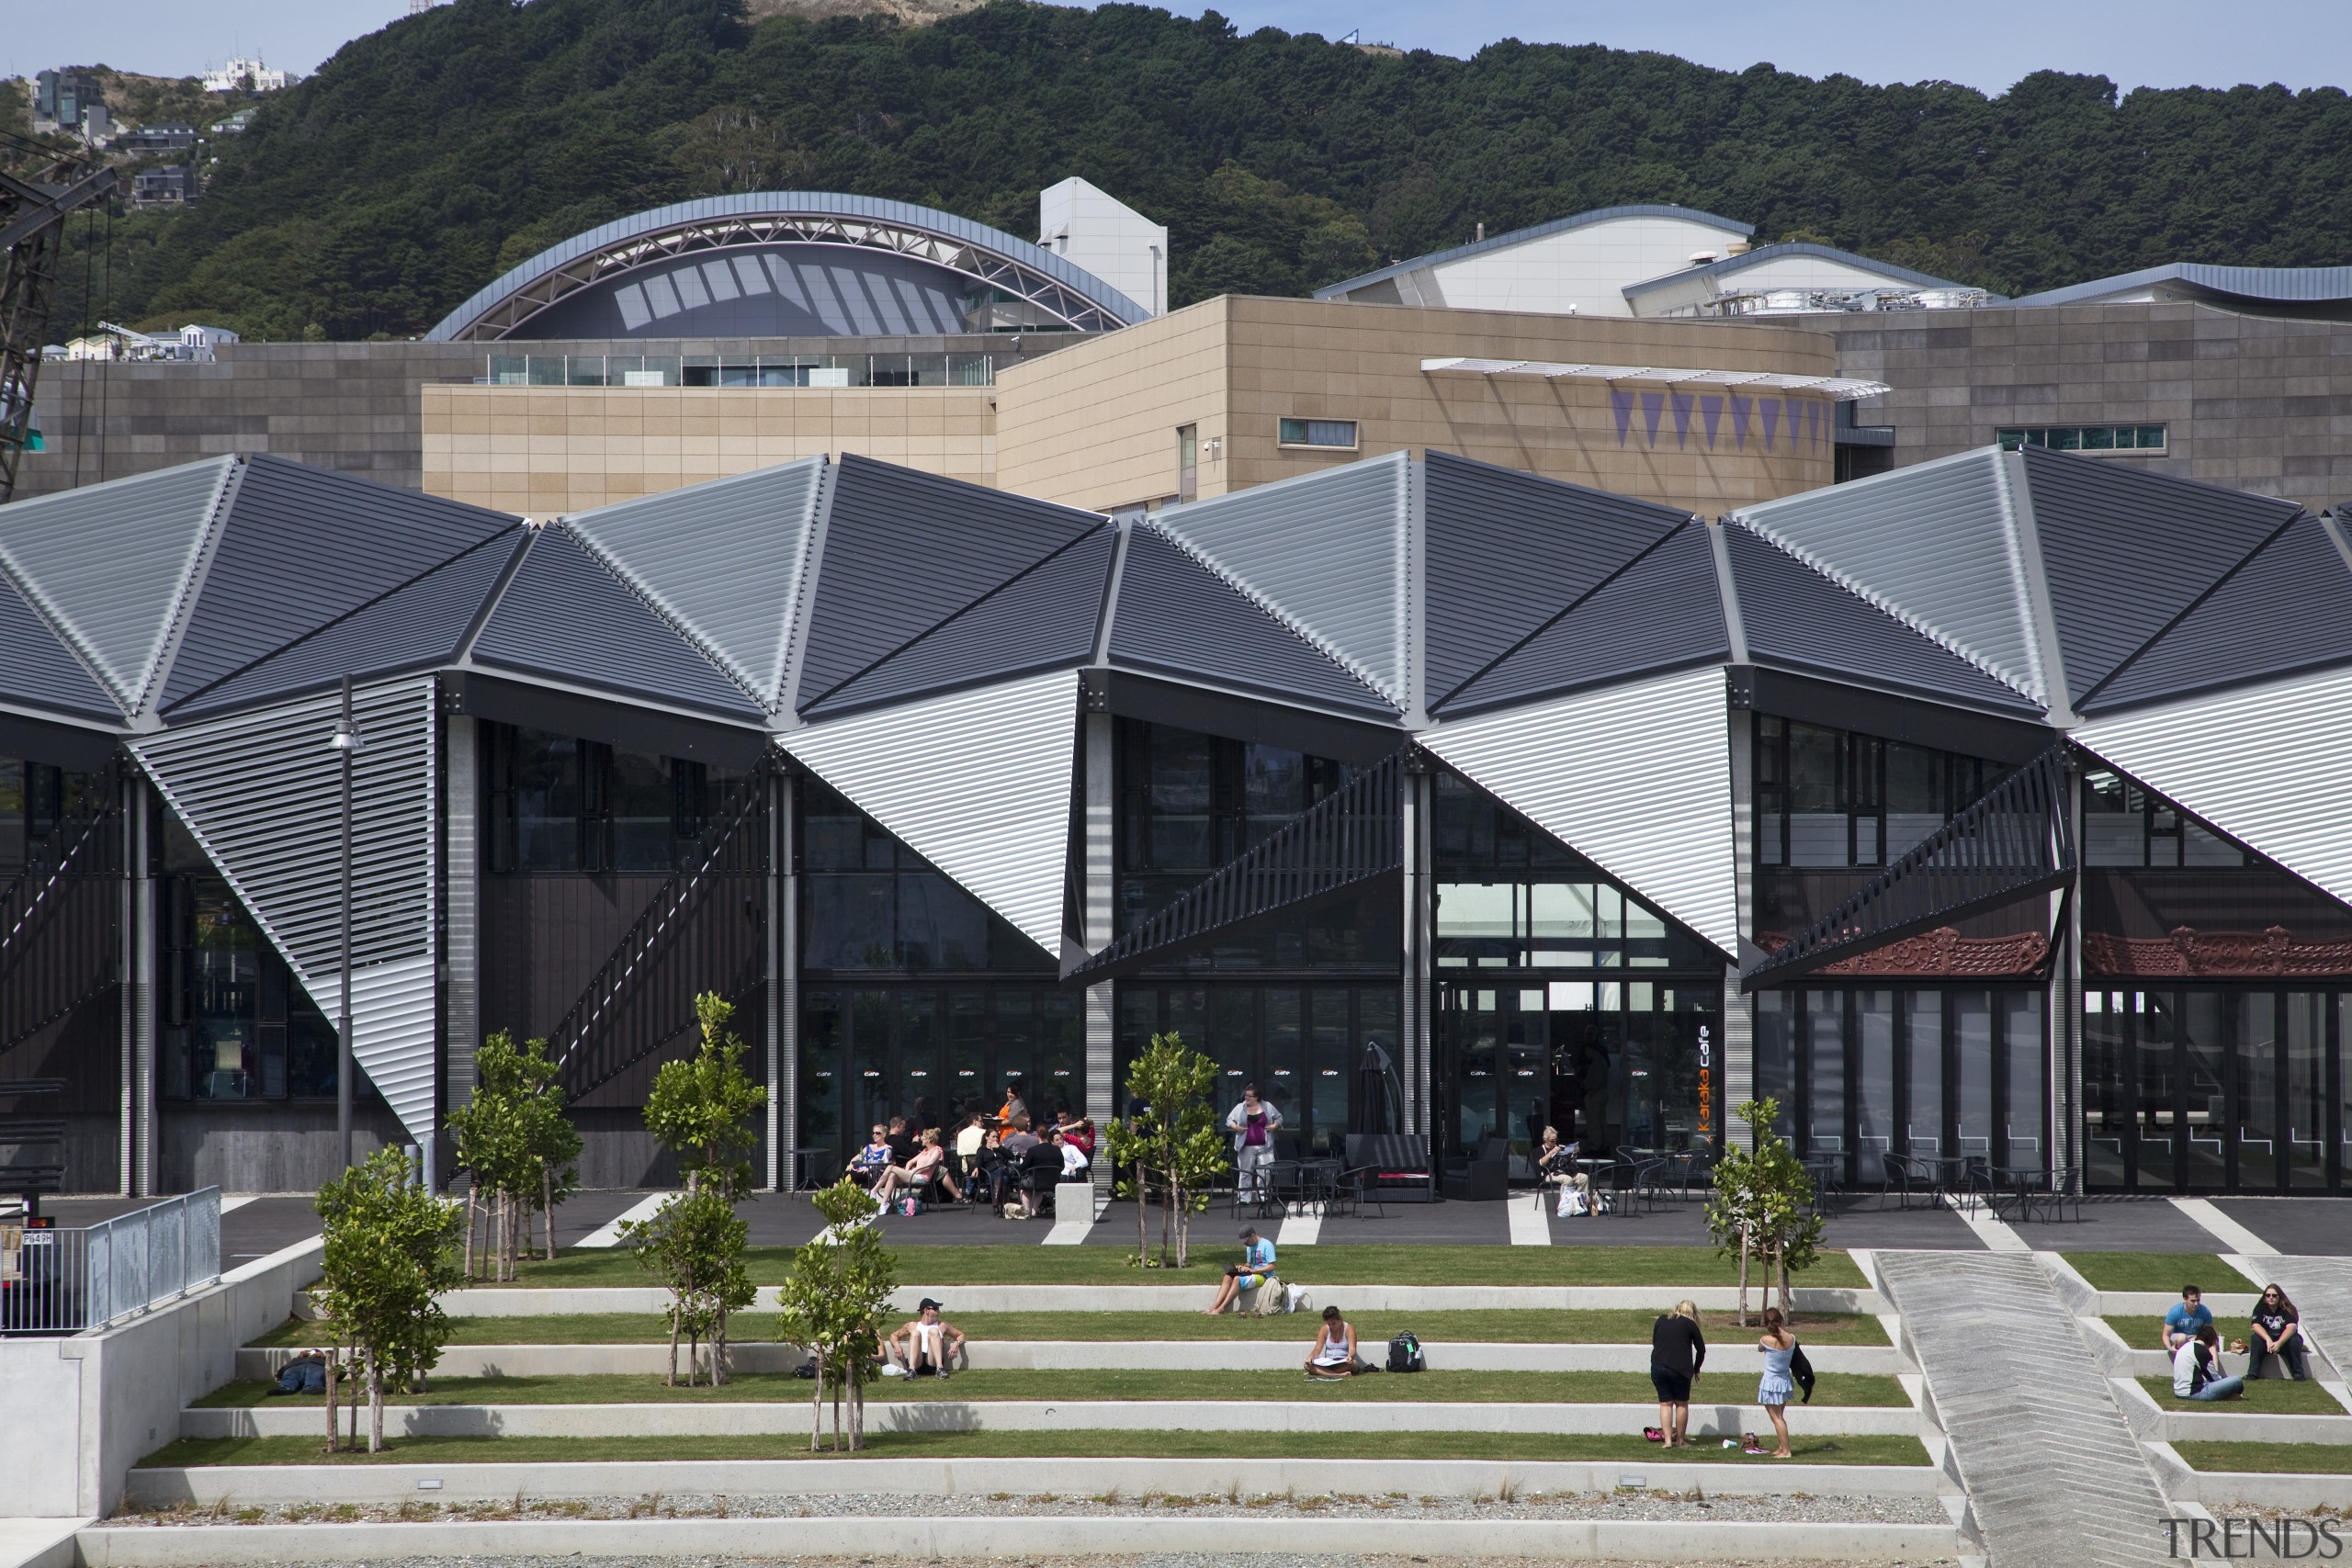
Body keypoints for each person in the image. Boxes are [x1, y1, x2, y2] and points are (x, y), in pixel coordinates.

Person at [1649, 1299, 1706, 1447]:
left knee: (1665, 1404)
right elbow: (1701, 1350)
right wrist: (1696, 1369)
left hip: (1658, 1367)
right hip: (1681, 1369)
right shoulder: (1690, 1325)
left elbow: (1655, 1342)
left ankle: (1667, 1440)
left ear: (1677, 1308)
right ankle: (1680, 1440)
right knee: (1681, 1404)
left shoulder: (1662, 1319)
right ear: (1693, 1314)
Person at [1226, 1084, 1283, 1203]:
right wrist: (1237, 1127)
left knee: (1265, 1172)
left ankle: (1262, 1196)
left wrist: (1274, 1126)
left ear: (1256, 1097)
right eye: (1246, 1095)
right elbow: (1229, 1120)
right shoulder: (1240, 1107)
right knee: (1245, 1172)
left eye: (1249, 1096)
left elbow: (1279, 1118)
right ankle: (1243, 1198)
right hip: (1246, 1146)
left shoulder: (1267, 1106)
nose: (1246, 1098)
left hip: (1265, 1146)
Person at [882, 1298, 966, 1379]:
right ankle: (911, 1370)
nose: (938, 1312)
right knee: (915, 1333)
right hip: (917, 1362)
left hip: (932, 1362)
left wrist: (956, 1344)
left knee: (933, 1331)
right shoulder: (912, 1325)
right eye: (935, 1309)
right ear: (926, 1311)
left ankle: (940, 1369)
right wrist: (896, 1345)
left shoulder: (942, 1325)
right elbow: (894, 1335)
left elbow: (961, 1335)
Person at [874, 1129, 960, 1206]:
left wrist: (914, 1170)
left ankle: (874, 1191)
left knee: (890, 1167)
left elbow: (927, 1166)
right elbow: (910, 1162)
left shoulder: (936, 1150)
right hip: (914, 1175)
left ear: (929, 1140)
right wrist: (907, 1171)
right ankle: (884, 1204)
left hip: (922, 1178)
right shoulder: (925, 1151)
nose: (921, 1138)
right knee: (892, 1175)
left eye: (923, 1137)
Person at [1204, 1226, 1277, 1315]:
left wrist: (1254, 1270)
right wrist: (1242, 1267)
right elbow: (1249, 1263)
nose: (1245, 1244)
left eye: (1246, 1241)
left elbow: (1272, 1266)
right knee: (1228, 1277)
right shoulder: (1249, 1247)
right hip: (1252, 1273)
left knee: (1237, 1279)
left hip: (1265, 1277)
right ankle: (1214, 1306)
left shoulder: (1267, 1245)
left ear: (1253, 1235)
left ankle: (1222, 1308)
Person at [1755, 1306, 1797, 1459]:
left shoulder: (1766, 1340)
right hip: (1784, 1381)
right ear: (1781, 1321)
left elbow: (1760, 1348)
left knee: (1777, 1419)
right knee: (1780, 1417)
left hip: (1771, 1382)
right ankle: (1781, 1447)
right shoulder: (1792, 1338)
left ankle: (1786, 1451)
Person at [2247, 1283, 2308, 1381]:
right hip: (2268, 1341)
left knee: (2294, 1341)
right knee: (2256, 1339)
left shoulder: (2288, 1308)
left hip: (2285, 1340)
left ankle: (2298, 1375)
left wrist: (2279, 1343)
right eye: (2268, 1295)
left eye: (2274, 1295)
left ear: (2280, 1297)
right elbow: (2255, 1325)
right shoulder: (2260, 1307)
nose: (2271, 1298)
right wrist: (2268, 1339)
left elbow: (2291, 1328)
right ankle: (2252, 1374)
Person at [2175, 1324, 2245, 1402]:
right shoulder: (2202, 1351)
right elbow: (2214, 1378)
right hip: (2194, 1393)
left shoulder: (2186, 1346)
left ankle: (2228, 1396)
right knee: (2237, 1380)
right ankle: (2229, 1396)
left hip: (2179, 1392)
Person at [1534, 1125, 1592, 1216]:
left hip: (1564, 1171)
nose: (1554, 1143)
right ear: (1545, 1139)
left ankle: (1580, 1204)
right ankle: (1564, 1206)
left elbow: (1567, 1161)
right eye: (1552, 1141)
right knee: (1567, 1180)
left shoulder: (1559, 1148)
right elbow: (1541, 1163)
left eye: (1555, 1140)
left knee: (1584, 1177)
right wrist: (1551, 1153)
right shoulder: (1540, 1150)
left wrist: (1574, 1153)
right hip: (1549, 1173)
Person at [1012, 1129, 1066, 1218]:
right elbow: (1062, 1166)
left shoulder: (1032, 1150)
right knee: (1038, 1190)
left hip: (1036, 1181)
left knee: (1023, 1187)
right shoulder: (1057, 1149)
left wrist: (1016, 1168)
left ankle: (1028, 1210)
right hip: (1053, 1181)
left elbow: (1024, 1167)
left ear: (1037, 1136)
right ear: (1048, 1137)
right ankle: (1034, 1210)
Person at [1304, 1304, 1361, 1379]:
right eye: (1329, 1324)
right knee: (1306, 1365)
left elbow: (1352, 1349)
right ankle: (1337, 1374)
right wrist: (1311, 1357)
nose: (1331, 1326)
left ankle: (1327, 1372)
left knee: (1353, 1364)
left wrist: (1350, 1356)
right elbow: (1317, 1349)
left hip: (1344, 1363)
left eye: (1333, 1323)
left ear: (1339, 1319)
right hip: (1329, 1362)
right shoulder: (1325, 1329)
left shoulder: (1349, 1329)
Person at [2162, 1285, 2214, 1352]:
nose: (2196, 1304)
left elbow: (2210, 1332)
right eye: (2192, 1301)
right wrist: (2170, 1348)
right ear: (2185, 1299)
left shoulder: (2204, 1311)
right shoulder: (2175, 1312)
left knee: (2200, 1340)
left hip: (2196, 1338)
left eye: (2198, 1300)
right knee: (2182, 1337)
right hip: (2179, 1337)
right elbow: (2166, 1334)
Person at [952, 1115, 989, 1201]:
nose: (983, 1123)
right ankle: (989, 1191)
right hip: (983, 1166)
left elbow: (959, 1152)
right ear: (975, 1121)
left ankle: (970, 1194)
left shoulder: (961, 1134)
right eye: (981, 1121)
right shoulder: (984, 1132)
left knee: (969, 1172)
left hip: (967, 1166)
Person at [851, 1125, 894, 1189]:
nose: (875, 1135)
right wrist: (851, 1165)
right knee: (840, 1176)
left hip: (873, 1174)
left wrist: (868, 1169)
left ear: (884, 1135)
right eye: (873, 1133)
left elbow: (882, 1163)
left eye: (877, 1133)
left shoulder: (887, 1148)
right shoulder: (869, 1147)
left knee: (852, 1177)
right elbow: (855, 1158)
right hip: (860, 1171)